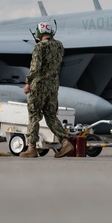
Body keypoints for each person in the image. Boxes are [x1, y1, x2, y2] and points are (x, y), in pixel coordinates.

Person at [21, 22, 74, 159]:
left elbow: (35, 68)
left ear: (39, 33)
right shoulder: (59, 45)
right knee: (51, 115)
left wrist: (28, 82)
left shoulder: (39, 47)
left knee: (34, 116)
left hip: (39, 85)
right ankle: (65, 142)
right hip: (53, 86)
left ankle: (31, 148)